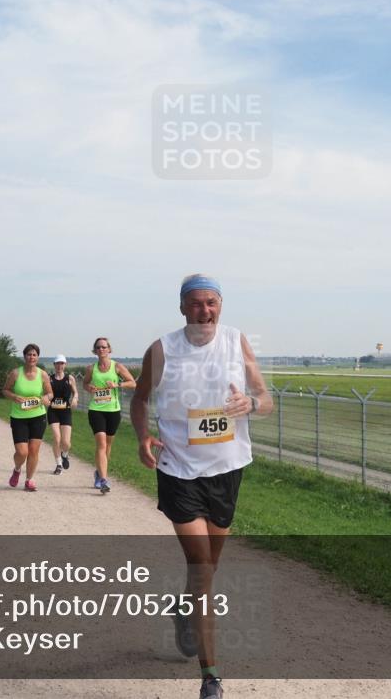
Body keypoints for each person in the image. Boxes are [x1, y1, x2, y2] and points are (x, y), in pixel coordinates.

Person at [131, 274, 272, 699]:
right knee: (201, 567)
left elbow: (266, 398)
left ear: (220, 306)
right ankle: (210, 675)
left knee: (208, 567)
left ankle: (183, 611)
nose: (204, 311)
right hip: (178, 469)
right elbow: (139, 399)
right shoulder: (162, 350)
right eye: (195, 303)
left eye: (211, 302)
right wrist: (142, 436)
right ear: (182, 308)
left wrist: (251, 403)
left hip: (227, 470)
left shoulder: (236, 342)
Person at [83, 337, 135, 494]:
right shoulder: (91, 369)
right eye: (98, 347)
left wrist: (117, 385)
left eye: (104, 347)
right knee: (101, 444)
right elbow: (85, 384)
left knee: (108, 445)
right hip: (96, 410)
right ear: (95, 351)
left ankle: (99, 473)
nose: (101, 350)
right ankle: (104, 480)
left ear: (109, 349)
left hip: (113, 411)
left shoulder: (117, 366)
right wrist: (89, 387)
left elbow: (133, 383)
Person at [2, 344, 52, 492]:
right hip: (19, 417)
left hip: (38, 416)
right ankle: (17, 469)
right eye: (29, 354)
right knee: (22, 452)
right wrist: (14, 396)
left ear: (38, 357)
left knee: (34, 450)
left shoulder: (42, 374)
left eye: (34, 355)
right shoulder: (16, 373)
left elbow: (50, 393)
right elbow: (5, 390)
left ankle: (29, 480)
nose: (32, 357)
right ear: (24, 357)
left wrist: (46, 398)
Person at [46, 354, 78, 474]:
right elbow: (45, 393)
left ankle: (65, 454)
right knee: (56, 438)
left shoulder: (70, 379)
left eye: (62, 363)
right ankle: (58, 464)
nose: (60, 366)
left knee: (66, 442)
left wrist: (75, 399)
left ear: (65, 365)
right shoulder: (49, 379)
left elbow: (75, 393)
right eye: (57, 363)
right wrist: (45, 398)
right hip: (53, 410)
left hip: (65, 411)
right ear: (54, 365)